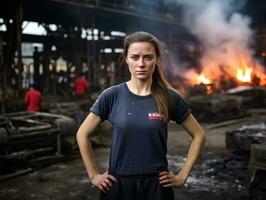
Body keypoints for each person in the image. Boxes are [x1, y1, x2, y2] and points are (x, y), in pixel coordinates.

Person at [76, 31, 206, 200]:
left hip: (156, 188)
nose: (141, 64)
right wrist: (94, 175)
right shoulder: (112, 96)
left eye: (148, 57)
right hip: (118, 186)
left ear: (156, 59)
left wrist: (182, 176)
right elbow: (82, 134)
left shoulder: (169, 97)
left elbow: (199, 135)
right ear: (126, 59)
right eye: (135, 57)